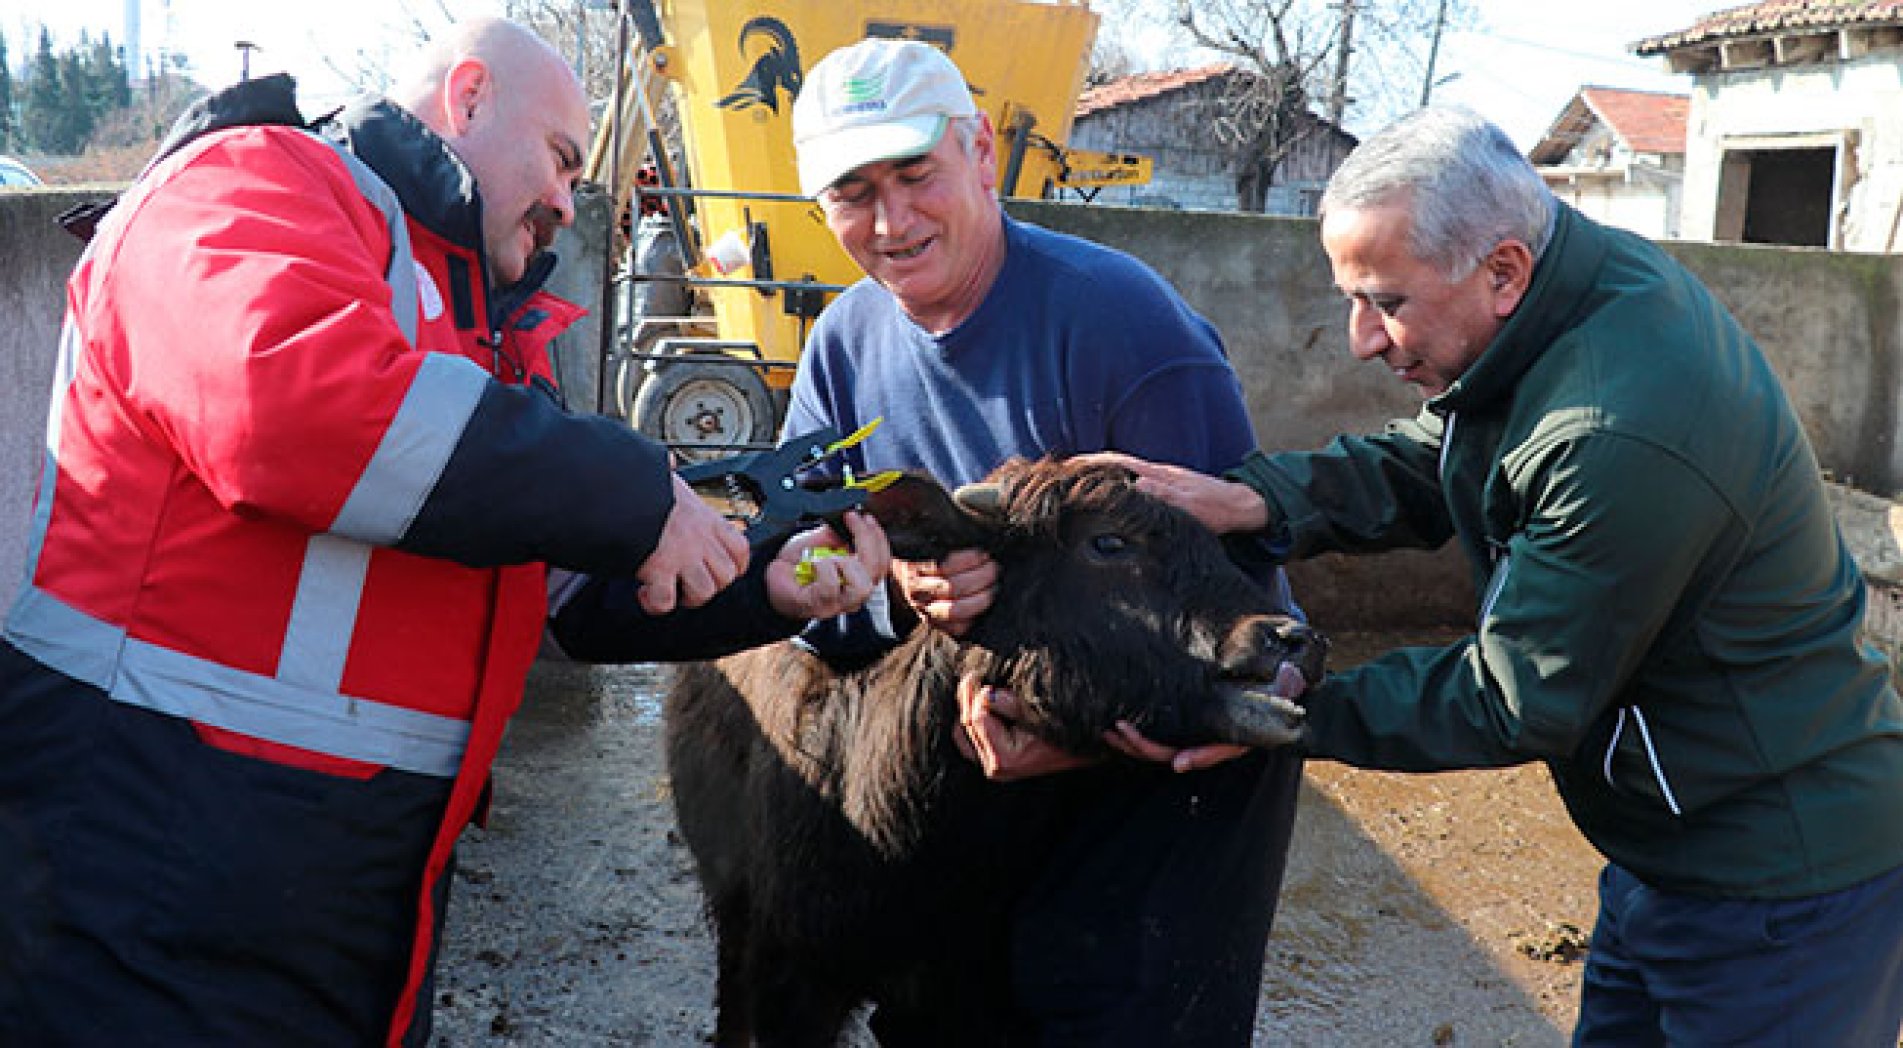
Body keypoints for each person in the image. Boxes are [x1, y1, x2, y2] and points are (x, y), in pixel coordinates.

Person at [0, 19, 889, 1047]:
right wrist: (630, 489)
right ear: (467, 97)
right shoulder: (252, 181)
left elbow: (555, 587)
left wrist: (763, 586)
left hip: (345, 889)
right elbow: (282, 407)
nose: (568, 199)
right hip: (141, 867)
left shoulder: (485, 322)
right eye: (561, 157)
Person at [1095, 106, 1903, 1045]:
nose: (1361, 337)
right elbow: (1453, 447)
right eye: (1351, 298)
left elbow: (1514, 695)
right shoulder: (1572, 296)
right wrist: (1257, 500)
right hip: (1669, 843)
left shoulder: (1617, 429)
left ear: (1504, 272)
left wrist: (1273, 709)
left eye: (1386, 302)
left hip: (1779, 884)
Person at [782, 37, 1305, 1045]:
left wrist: (1063, 744)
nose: (891, 221)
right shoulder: (842, 351)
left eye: (915, 174)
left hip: (1151, 814)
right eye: (854, 191)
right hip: (974, 804)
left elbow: (1242, 628)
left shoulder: (1122, 327)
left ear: (980, 151)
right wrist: (896, 588)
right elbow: (802, 582)